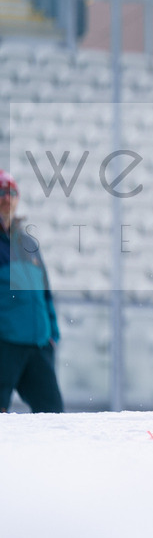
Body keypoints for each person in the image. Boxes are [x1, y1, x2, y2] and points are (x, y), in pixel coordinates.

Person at [0, 169, 64, 413]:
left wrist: (52, 335)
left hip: (37, 344)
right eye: (1, 192)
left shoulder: (28, 243)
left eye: (11, 192)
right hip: (6, 343)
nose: (6, 198)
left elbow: (44, 292)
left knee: (53, 414)